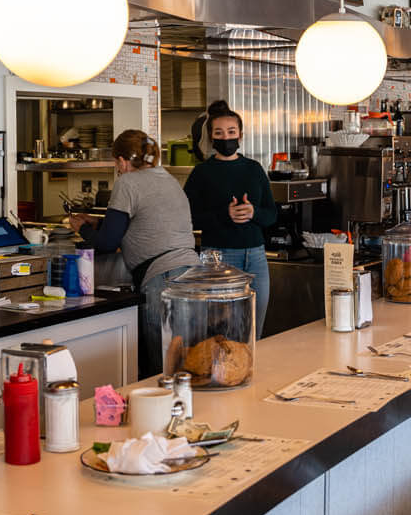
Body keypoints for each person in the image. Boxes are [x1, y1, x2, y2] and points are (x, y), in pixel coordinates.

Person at [68, 130, 197, 378]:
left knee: (161, 370)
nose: (117, 169)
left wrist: (81, 228)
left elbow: (107, 243)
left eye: (116, 163)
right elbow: (143, 220)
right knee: (185, 364)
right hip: (190, 272)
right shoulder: (166, 178)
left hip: (163, 279)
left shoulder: (127, 183)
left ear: (123, 161)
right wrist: (98, 222)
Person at [184, 100, 277, 335]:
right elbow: (188, 219)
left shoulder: (254, 169)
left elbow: (272, 215)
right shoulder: (201, 173)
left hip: (256, 256)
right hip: (217, 257)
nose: (226, 137)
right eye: (219, 133)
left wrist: (254, 212)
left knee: (255, 328)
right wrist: (224, 215)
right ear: (212, 138)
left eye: (231, 132)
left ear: (241, 135)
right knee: (220, 330)